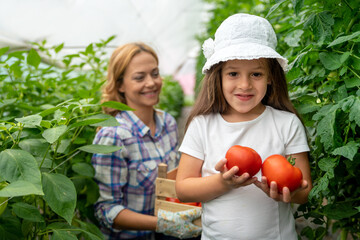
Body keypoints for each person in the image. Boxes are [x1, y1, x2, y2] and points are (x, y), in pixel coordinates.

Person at [175, 13, 312, 240]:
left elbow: (304, 192)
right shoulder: (202, 125)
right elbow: (183, 190)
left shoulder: (286, 123)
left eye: (256, 74)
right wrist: (222, 182)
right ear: (218, 77)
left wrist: (285, 193)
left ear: (270, 77)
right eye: (233, 73)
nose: (245, 84)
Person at [91, 42, 202, 240]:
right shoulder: (114, 136)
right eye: (139, 77)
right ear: (120, 85)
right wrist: (161, 224)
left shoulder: (167, 122)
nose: (151, 83)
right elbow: (106, 210)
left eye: (155, 73)